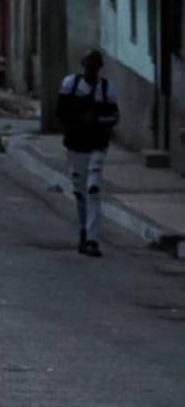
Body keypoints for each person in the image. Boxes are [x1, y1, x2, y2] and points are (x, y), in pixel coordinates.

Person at [56, 47, 119, 257]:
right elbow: (61, 113)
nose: (90, 70)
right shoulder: (71, 85)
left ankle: (92, 238)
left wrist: (97, 121)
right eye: (87, 66)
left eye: (94, 66)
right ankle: (84, 230)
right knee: (80, 191)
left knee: (93, 188)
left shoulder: (107, 89)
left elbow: (114, 117)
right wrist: (78, 123)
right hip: (75, 145)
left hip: (97, 144)